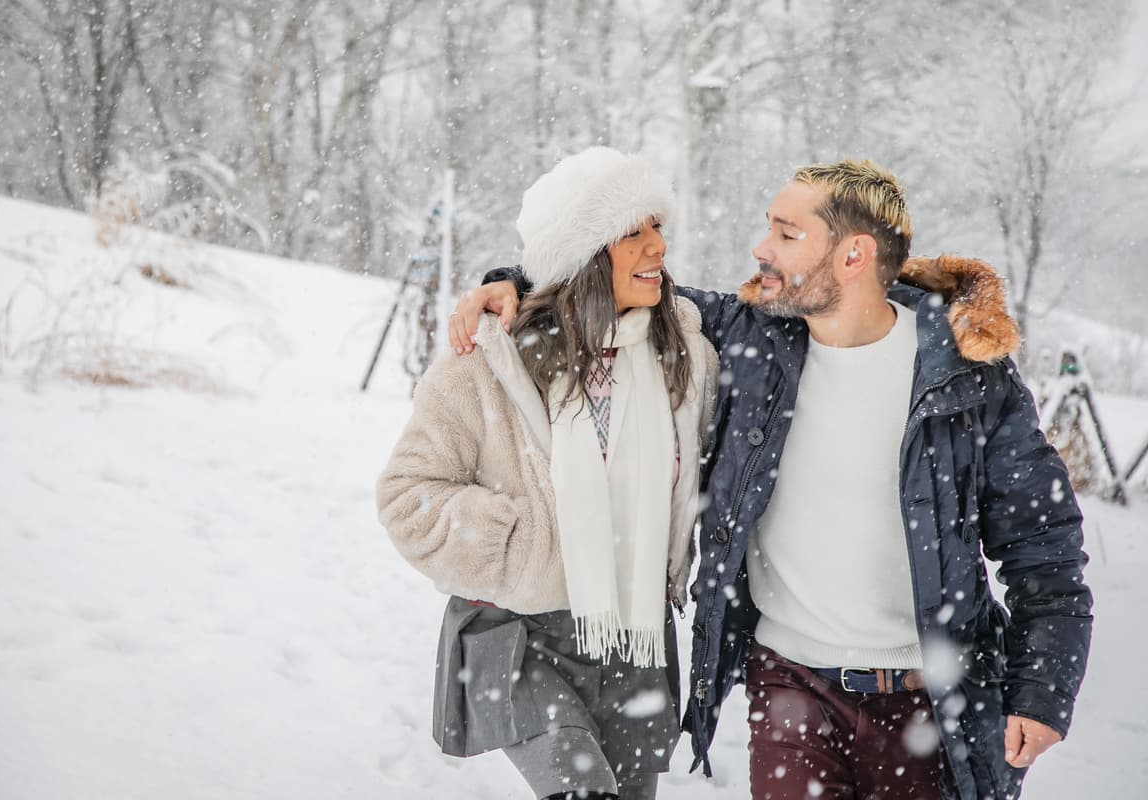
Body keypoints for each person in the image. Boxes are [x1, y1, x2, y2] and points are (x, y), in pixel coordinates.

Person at [449, 160, 1092, 800]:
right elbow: (616, 286)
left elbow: (1045, 549)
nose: (762, 249)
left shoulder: (965, 378)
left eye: (787, 234)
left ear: (853, 256)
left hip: (932, 700)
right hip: (791, 691)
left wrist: (1042, 692)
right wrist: (516, 282)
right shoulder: (753, 342)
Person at [376, 146, 718, 800]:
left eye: (658, 227)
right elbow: (405, 498)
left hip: (636, 635)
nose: (658, 245)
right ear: (585, 252)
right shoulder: (487, 364)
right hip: (521, 639)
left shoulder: (687, 356)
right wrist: (521, 543)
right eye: (634, 232)